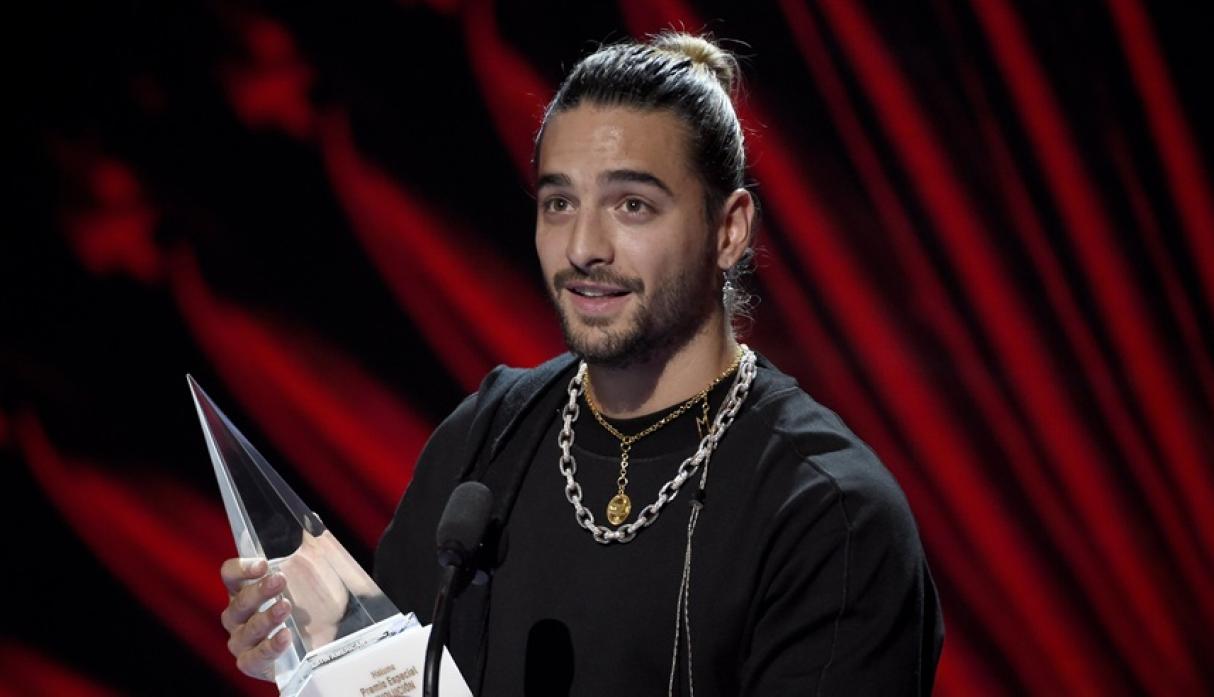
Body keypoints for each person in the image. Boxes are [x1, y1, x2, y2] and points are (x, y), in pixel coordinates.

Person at [220, 32, 944, 695]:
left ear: (729, 230)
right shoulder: (485, 438)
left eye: (632, 205)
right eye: (559, 203)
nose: (583, 248)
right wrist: (311, 646)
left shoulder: (828, 514)